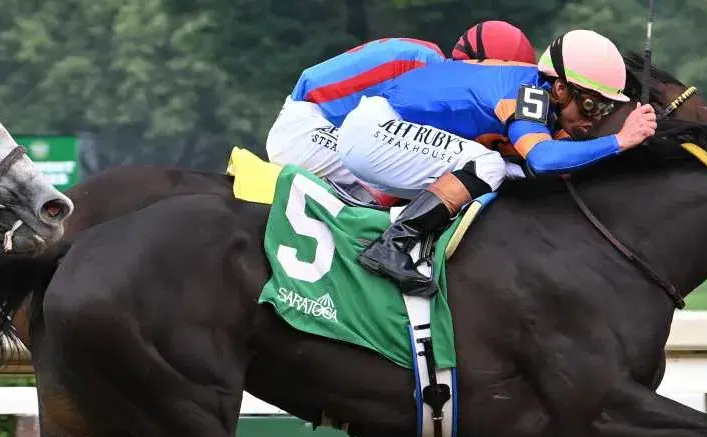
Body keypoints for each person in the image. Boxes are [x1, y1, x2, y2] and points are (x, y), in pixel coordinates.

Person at [337, 29, 657, 297]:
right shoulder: (527, 93)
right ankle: (392, 245)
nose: (593, 119)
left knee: (508, 172)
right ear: (560, 88)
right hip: (376, 131)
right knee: (488, 165)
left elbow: (554, 166)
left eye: (603, 109)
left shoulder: (545, 103)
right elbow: (543, 159)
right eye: (590, 105)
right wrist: (619, 141)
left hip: (388, 136)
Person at [264, 21, 537, 204]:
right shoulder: (430, 73)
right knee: (422, 168)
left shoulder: (434, 66)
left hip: (322, 122)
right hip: (308, 128)